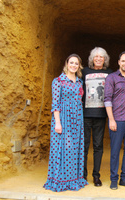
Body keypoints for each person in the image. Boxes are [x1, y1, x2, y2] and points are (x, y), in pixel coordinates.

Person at [43, 54, 88, 192]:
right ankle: (60, 180)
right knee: (63, 149)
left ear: (79, 66)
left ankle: (74, 179)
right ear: (66, 64)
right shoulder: (58, 81)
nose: (74, 65)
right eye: (71, 63)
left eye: (76, 63)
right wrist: (58, 123)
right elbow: (55, 104)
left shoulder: (80, 82)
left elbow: (80, 100)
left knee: (75, 149)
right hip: (63, 118)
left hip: (77, 119)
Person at [104, 51, 125, 190]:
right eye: (123, 61)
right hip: (117, 119)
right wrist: (111, 119)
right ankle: (113, 179)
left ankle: (124, 178)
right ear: (118, 62)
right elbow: (107, 99)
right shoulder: (111, 78)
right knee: (115, 150)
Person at [82, 47, 113, 186]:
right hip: (85, 114)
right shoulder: (84, 72)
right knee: (84, 145)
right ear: (92, 59)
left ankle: (96, 175)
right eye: (96, 57)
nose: (99, 59)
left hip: (101, 115)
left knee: (98, 146)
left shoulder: (110, 73)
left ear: (105, 59)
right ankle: (82, 175)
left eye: (102, 57)